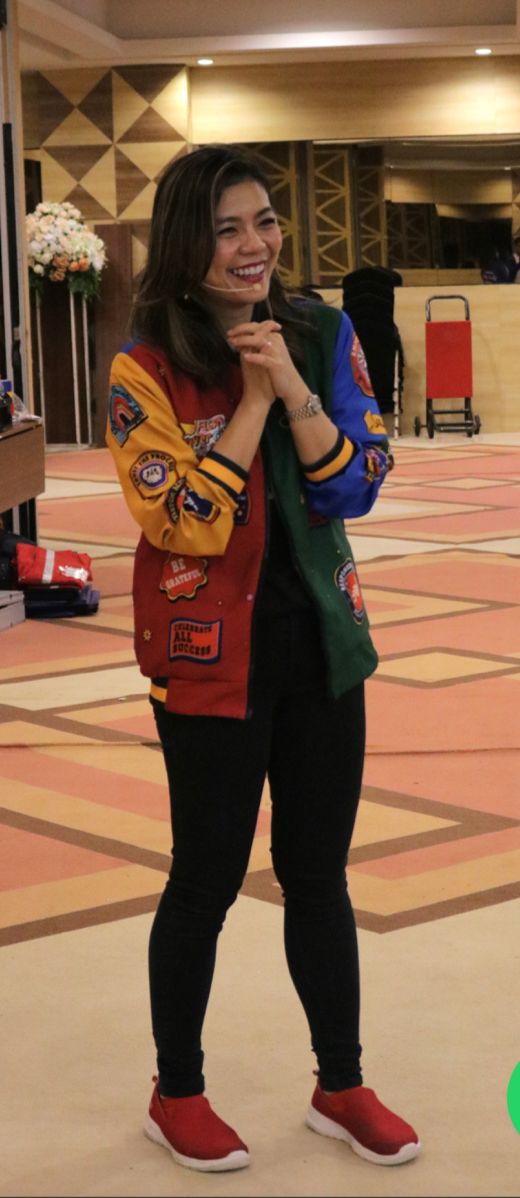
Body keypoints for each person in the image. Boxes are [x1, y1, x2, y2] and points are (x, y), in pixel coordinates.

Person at [106, 143, 421, 1175]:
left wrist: (291, 381)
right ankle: (176, 1092)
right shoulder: (145, 364)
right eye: (227, 227)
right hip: (207, 658)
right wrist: (249, 401)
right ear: (186, 242)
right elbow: (184, 523)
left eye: (266, 221)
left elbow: (357, 480)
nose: (255, 245)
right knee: (203, 880)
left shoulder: (321, 332)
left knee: (318, 875)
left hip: (323, 643)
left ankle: (341, 1083)